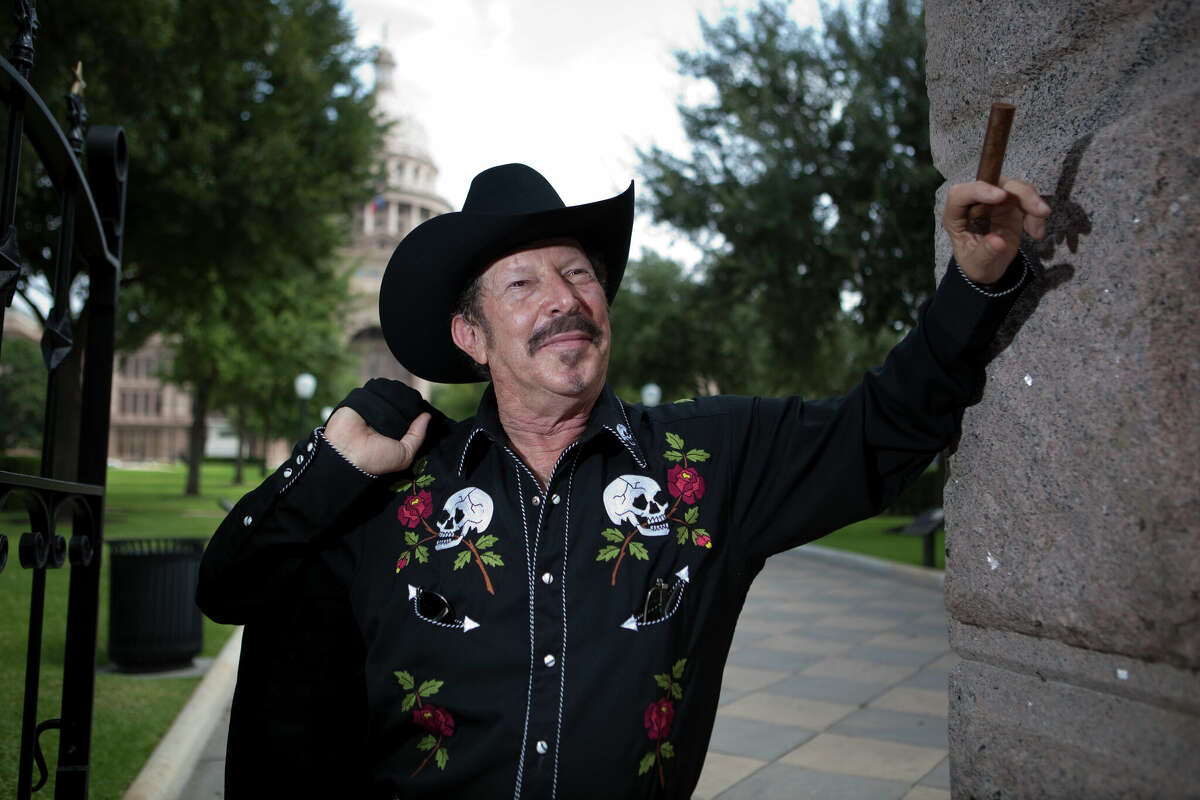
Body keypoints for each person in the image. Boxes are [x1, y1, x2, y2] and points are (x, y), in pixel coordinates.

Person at [198, 162, 1049, 798]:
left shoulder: (710, 464)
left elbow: (886, 427)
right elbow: (229, 584)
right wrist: (331, 463)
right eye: (523, 283)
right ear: (470, 335)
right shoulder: (392, 491)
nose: (564, 298)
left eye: (579, 275)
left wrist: (974, 281)